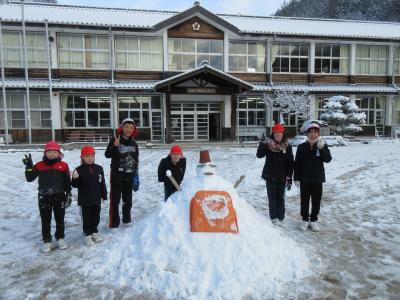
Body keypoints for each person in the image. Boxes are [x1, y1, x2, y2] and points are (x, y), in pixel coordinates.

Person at [22, 141, 72, 253]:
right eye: (49, 151)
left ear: (59, 153)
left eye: (55, 151)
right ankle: (47, 240)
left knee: (60, 219)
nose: (52, 154)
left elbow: (67, 181)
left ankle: (60, 237)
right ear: (45, 153)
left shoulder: (63, 166)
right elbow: (30, 178)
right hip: (44, 197)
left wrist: (68, 194)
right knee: (45, 219)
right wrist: (29, 167)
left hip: (59, 196)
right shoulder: (39, 165)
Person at [294, 123, 332, 232]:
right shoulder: (301, 147)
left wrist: (322, 149)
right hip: (304, 179)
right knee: (304, 200)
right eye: (310, 132)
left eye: (315, 132)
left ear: (318, 133)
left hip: (317, 179)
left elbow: (328, 159)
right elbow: (297, 164)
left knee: (316, 200)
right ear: (307, 133)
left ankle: (314, 220)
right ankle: (305, 219)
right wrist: (296, 178)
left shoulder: (322, 145)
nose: (313, 134)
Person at [256, 124, 294, 226]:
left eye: (280, 133)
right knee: (272, 197)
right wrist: (262, 143)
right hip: (270, 175)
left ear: (282, 134)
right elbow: (259, 155)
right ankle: (273, 217)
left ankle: (280, 217)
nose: (278, 135)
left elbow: (291, 162)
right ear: (273, 134)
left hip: (282, 176)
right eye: (276, 133)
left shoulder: (287, 146)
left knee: (281, 197)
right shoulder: (268, 144)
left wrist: (289, 177)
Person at [105, 118, 139, 228]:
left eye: (131, 127)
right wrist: (115, 146)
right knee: (115, 200)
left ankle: (126, 219)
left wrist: (136, 174)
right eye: (126, 127)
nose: (128, 129)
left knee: (128, 199)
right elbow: (107, 154)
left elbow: (135, 159)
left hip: (129, 175)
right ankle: (114, 223)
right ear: (122, 128)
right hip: (117, 175)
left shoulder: (134, 143)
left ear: (133, 129)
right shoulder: (115, 139)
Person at [71, 146, 107, 246]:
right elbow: (75, 185)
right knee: (87, 217)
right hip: (85, 199)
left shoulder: (99, 168)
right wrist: (75, 179)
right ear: (82, 157)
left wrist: (104, 196)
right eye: (87, 156)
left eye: (92, 156)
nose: (90, 158)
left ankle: (94, 232)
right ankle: (87, 234)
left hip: (96, 197)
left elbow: (102, 183)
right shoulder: (78, 170)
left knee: (96, 216)